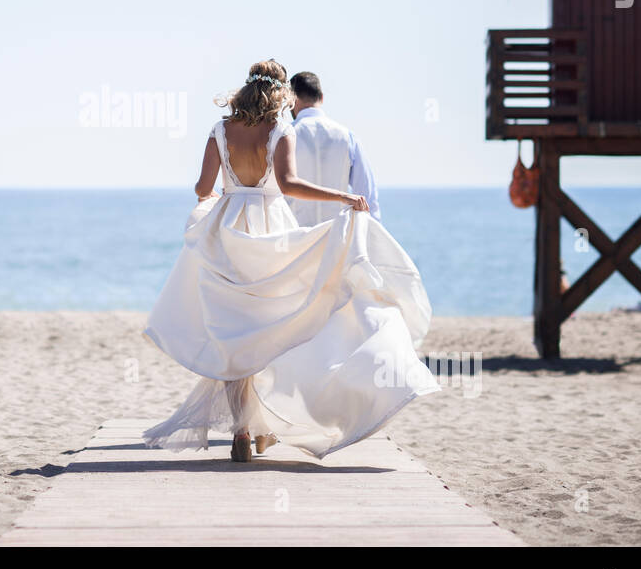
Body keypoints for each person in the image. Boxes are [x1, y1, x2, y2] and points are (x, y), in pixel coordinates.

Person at [141, 59, 439, 463]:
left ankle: (242, 431)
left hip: (229, 230)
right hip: (270, 228)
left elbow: (200, 187)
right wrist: (343, 197)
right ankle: (265, 430)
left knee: (234, 334)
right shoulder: (280, 130)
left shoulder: (219, 130)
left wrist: (221, 195)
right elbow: (289, 185)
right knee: (271, 329)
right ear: (280, 94)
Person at [286, 71, 381, 225]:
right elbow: (366, 195)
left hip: (294, 238)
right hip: (336, 238)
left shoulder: (285, 136)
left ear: (291, 100)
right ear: (322, 97)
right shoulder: (348, 136)